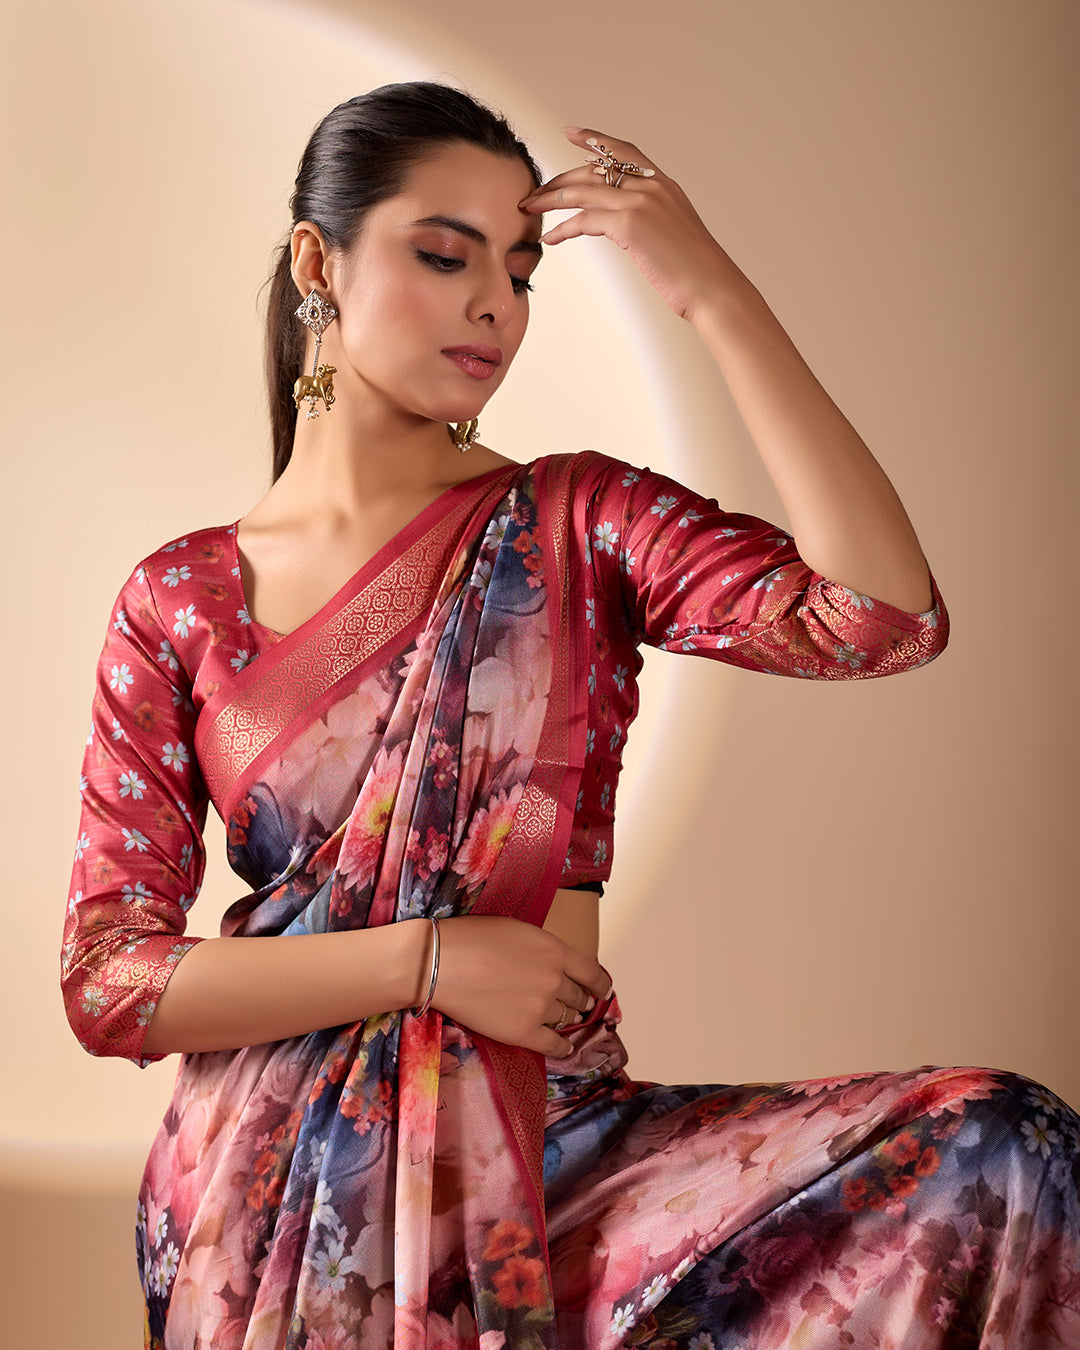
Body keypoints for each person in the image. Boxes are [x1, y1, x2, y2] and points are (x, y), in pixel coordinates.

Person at [62, 81, 1080, 1350]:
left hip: (559, 1147)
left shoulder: (574, 525)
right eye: (446, 256)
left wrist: (712, 293)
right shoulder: (184, 597)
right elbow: (110, 980)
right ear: (319, 264)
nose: (497, 303)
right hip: (278, 1186)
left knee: (1000, 1147)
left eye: (523, 271)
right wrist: (429, 963)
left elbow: (879, 620)